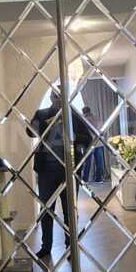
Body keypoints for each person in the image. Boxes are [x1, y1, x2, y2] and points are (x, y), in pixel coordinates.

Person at [26, 85, 91, 257]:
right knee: (46, 210)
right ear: (50, 98)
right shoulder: (41, 114)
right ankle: (46, 247)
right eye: (55, 96)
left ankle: (71, 247)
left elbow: (88, 138)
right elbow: (29, 132)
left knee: (70, 211)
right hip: (46, 171)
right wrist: (40, 125)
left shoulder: (74, 116)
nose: (58, 100)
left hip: (69, 171)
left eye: (61, 96)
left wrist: (74, 137)